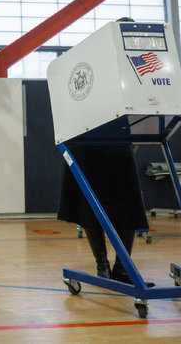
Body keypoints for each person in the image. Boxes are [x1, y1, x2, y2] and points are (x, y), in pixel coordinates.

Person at [58, 18, 153, 287]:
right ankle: (102, 266)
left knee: (128, 206)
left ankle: (122, 268)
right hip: (87, 141)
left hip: (117, 142)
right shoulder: (92, 61)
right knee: (90, 208)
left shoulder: (138, 64)